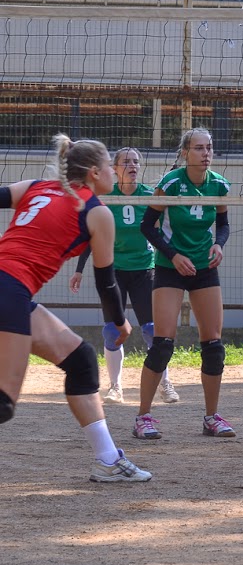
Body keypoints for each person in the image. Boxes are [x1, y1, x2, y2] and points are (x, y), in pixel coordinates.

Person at [0, 134, 151, 482]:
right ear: (96, 172)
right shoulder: (97, 213)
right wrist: (120, 322)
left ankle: (108, 460)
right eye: (112, 165)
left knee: (82, 361)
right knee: (3, 403)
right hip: (7, 290)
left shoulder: (35, 187)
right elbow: (107, 282)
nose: (117, 171)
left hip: (13, 293)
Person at [135, 128, 232, 439]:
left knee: (214, 346)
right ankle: (143, 417)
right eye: (199, 148)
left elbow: (223, 223)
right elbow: (147, 226)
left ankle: (211, 417)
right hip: (170, 266)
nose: (206, 154)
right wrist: (173, 255)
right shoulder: (171, 184)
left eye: (209, 148)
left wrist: (219, 244)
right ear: (185, 153)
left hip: (204, 267)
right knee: (163, 345)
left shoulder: (218, 184)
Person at [69, 147, 179, 405]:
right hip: (114, 271)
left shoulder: (148, 196)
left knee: (154, 331)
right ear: (115, 168)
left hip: (144, 270)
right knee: (111, 331)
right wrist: (79, 269)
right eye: (126, 162)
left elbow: (163, 228)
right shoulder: (106, 197)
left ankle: (165, 383)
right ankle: (115, 387)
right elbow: (91, 235)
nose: (132, 165)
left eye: (136, 162)